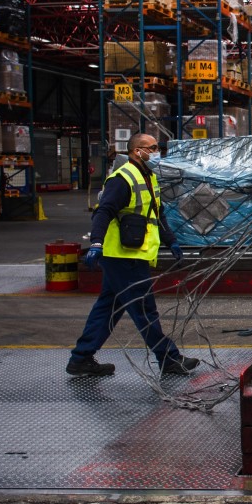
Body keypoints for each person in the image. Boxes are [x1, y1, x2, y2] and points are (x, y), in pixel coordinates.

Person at [67, 133, 200, 377]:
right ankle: (168, 358)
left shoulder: (148, 176)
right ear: (137, 151)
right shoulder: (123, 178)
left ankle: (81, 358)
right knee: (144, 309)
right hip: (123, 256)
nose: (156, 151)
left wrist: (171, 241)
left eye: (157, 147)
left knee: (108, 308)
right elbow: (103, 211)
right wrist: (96, 243)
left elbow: (156, 214)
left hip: (132, 254)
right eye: (152, 148)